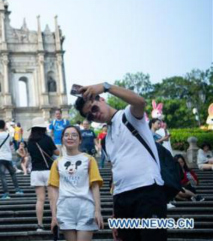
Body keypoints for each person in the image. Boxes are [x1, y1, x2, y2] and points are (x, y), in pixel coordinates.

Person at [74, 82, 167, 241]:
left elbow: (140, 102)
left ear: (101, 99)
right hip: (122, 198)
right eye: (89, 115)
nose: (94, 115)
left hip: (147, 190)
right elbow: (116, 172)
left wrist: (105, 86)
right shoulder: (106, 139)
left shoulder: (128, 116)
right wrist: (116, 213)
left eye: (94, 108)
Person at [49, 124, 103, 241]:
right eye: (66, 135)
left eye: (74, 135)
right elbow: (53, 190)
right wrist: (54, 215)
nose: (70, 137)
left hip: (86, 208)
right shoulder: (57, 163)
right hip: (65, 209)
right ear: (62, 139)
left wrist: (97, 211)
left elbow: (95, 186)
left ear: (80, 140)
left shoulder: (89, 160)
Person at [27, 116, 60, 232]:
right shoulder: (47, 139)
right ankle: (54, 220)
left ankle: (40, 225)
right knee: (52, 198)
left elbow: (30, 155)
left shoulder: (30, 141)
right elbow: (57, 152)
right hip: (48, 171)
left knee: (40, 199)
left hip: (36, 172)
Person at [0, 119, 24, 199]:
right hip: (8, 156)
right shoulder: (8, 135)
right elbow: (10, 143)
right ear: (4, 126)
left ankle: (6, 194)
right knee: (12, 173)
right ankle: (17, 189)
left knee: (3, 176)